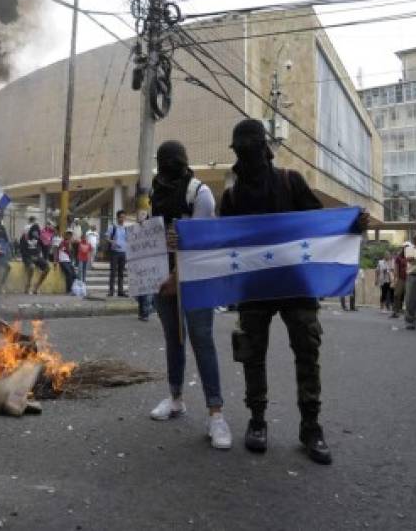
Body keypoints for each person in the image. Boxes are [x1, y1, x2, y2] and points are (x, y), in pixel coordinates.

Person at [219, 118, 367, 465]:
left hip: (297, 286)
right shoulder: (232, 195)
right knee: (252, 355)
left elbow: (319, 228)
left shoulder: (291, 181)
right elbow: (220, 242)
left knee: (307, 353)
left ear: (262, 150)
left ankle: (311, 427)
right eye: (240, 151)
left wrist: (350, 225)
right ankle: (257, 420)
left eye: (249, 150)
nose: (245, 157)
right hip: (254, 289)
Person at [148, 140, 230, 450]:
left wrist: (176, 278)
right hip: (162, 281)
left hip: (194, 280)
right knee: (174, 339)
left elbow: (200, 247)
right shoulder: (156, 193)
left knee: (202, 340)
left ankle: (216, 413)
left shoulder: (200, 194)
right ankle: (176, 398)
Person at [20, 217, 49, 295]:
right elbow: (22, 250)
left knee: (47, 267)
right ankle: (28, 285)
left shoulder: (38, 238)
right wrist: (30, 257)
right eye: (34, 232)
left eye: (37, 232)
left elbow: (44, 247)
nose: (36, 233)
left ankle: (36, 286)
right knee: (32, 266)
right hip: (27, 257)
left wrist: (44, 258)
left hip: (36, 256)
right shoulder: (24, 238)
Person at [106, 210, 128, 297]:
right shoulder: (113, 227)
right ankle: (111, 291)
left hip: (123, 253)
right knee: (113, 272)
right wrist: (112, 242)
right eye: (121, 217)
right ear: (117, 217)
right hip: (114, 252)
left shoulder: (126, 228)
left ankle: (120, 291)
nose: (122, 219)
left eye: (124, 217)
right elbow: (107, 238)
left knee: (121, 273)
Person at [56, 230, 76, 294]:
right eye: (68, 235)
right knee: (69, 273)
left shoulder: (69, 243)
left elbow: (71, 252)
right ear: (66, 235)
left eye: (70, 235)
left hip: (68, 261)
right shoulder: (63, 242)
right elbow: (67, 250)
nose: (70, 236)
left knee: (74, 275)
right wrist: (56, 260)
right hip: (63, 260)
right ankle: (69, 290)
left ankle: (73, 289)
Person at [391, 247, 408, 319]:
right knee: (397, 294)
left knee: (409, 297)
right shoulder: (399, 258)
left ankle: (409, 313)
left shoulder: (412, 257)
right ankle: (395, 311)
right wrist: (396, 279)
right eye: (405, 248)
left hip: (410, 279)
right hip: (401, 278)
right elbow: (396, 268)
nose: (406, 250)